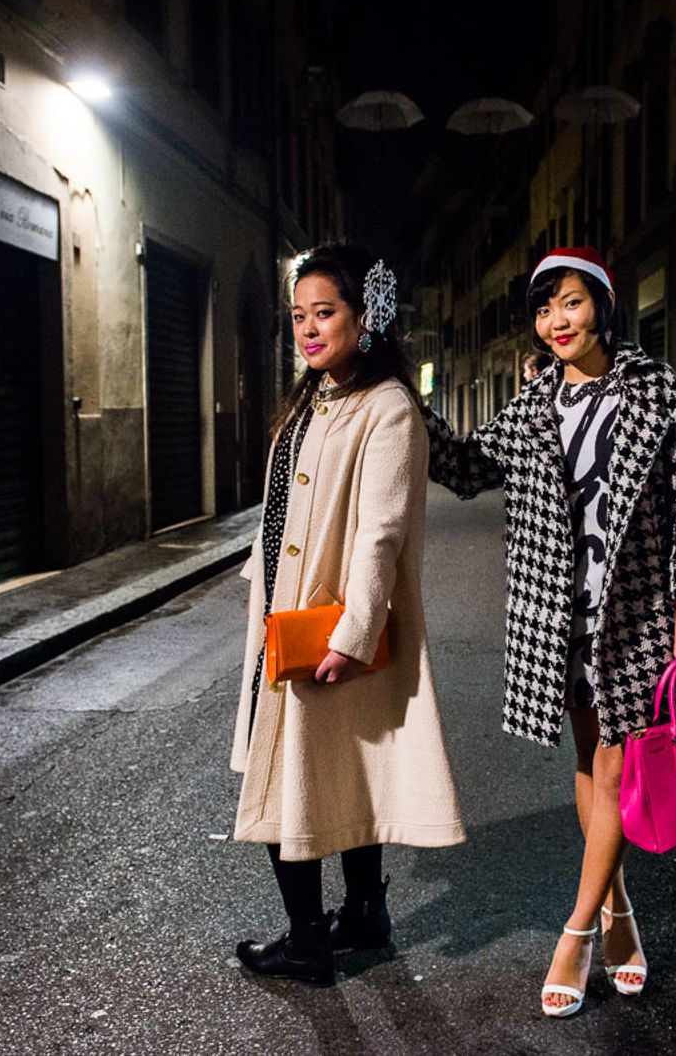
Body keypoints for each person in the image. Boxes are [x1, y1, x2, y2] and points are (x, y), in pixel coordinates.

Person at [422, 247, 676, 1018]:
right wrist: (399, 388)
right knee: (593, 763)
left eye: (570, 303)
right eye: (543, 308)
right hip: (562, 615)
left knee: (620, 762)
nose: (556, 321)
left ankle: (578, 929)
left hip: (637, 612)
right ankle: (621, 913)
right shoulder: (530, 408)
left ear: (603, 305)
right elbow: (462, 467)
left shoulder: (654, 389)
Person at [230, 242, 465, 987]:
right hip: (285, 609)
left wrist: (354, 633)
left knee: (286, 777)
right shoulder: (314, 396)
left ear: (367, 318)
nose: (307, 328)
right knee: (343, 770)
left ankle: (307, 940)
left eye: (324, 313)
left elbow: (381, 533)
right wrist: (257, 580)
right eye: (298, 316)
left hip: (328, 623)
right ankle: (364, 912)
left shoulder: (387, 407)